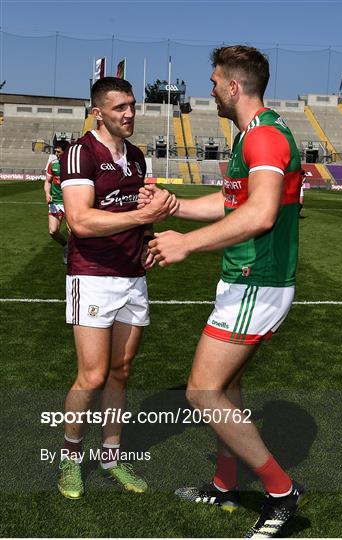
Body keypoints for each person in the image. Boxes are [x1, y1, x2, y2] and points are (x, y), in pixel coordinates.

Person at [139, 45, 305, 538]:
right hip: (243, 278)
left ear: (234, 87)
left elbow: (260, 215)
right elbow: (233, 203)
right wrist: (175, 207)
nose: (209, 89)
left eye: (214, 82)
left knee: (202, 391)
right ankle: (224, 484)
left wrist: (185, 244)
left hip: (259, 280)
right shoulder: (251, 137)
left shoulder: (266, 138)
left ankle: (281, 493)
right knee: (228, 389)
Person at [58, 76, 177, 500]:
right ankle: (71, 458)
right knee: (91, 375)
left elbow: (141, 213)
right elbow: (81, 221)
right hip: (91, 275)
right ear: (98, 112)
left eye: (132, 106)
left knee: (120, 372)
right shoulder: (80, 153)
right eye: (119, 108)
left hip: (133, 278)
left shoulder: (137, 156)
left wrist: (148, 238)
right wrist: (136, 219)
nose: (129, 114)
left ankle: (111, 455)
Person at [44, 140, 70, 263]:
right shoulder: (53, 164)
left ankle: (76, 255)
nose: (55, 153)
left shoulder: (72, 165)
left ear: (65, 152)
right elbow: (48, 181)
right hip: (55, 202)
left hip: (70, 202)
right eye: (55, 151)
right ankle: (66, 246)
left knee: (73, 231)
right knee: (53, 231)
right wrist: (47, 193)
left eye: (58, 151)